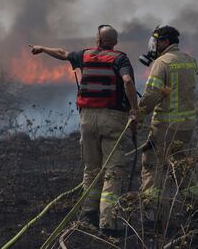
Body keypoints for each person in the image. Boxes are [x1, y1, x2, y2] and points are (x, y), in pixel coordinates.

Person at [29, 25, 138, 237]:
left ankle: (88, 215)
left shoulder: (85, 55)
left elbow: (61, 53)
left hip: (87, 118)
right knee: (113, 169)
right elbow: (127, 81)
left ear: (97, 40)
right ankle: (109, 221)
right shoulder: (120, 59)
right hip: (112, 118)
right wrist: (134, 111)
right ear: (114, 43)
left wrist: (41, 48)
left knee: (92, 168)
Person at [132, 25, 198, 229]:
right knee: (181, 165)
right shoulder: (190, 60)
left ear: (164, 42)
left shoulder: (161, 63)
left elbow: (152, 94)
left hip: (165, 125)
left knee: (152, 165)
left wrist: (139, 116)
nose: (153, 46)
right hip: (187, 125)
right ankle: (196, 206)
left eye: (156, 42)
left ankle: (152, 212)